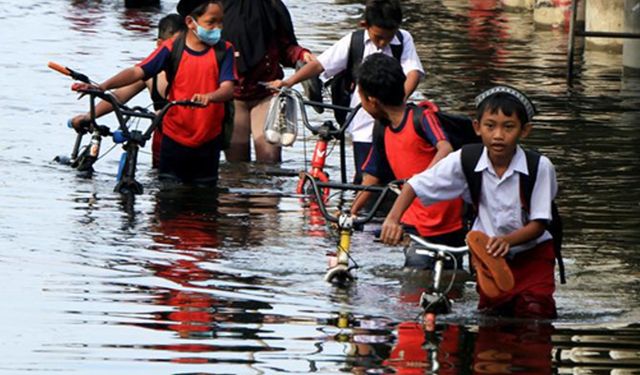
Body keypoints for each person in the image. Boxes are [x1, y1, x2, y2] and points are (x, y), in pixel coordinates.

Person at [380, 85, 558, 319]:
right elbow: (416, 184)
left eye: (509, 127)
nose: (498, 135)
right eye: (490, 126)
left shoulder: (539, 167)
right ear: (477, 127)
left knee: (535, 313)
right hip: (488, 258)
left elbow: (539, 223)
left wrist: (507, 240)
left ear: (524, 131)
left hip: (533, 255)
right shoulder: (466, 160)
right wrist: (393, 219)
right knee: (492, 319)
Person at [72, 0, 237, 185]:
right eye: (211, 22)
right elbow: (137, 71)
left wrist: (210, 97)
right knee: (167, 195)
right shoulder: (172, 48)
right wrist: (102, 86)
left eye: (221, 22)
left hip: (208, 137)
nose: (218, 28)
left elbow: (228, 88)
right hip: (174, 137)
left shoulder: (225, 50)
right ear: (191, 22)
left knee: (204, 199)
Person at [269, 0, 424, 184]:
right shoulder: (354, 42)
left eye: (388, 38)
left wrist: (397, 103)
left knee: (394, 177)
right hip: (362, 122)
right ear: (365, 25)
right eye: (378, 37)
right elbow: (320, 65)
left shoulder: (403, 39)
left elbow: (413, 72)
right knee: (365, 176)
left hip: (393, 123)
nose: (383, 43)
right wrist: (288, 82)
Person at [350, 53, 465, 269]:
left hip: (448, 223)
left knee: (446, 281)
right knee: (415, 277)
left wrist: (420, 182)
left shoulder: (421, 118)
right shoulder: (383, 130)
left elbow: (445, 147)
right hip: (413, 224)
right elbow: (372, 177)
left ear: (371, 100)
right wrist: (351, 212)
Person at [70, 13, 185, 168]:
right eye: (173, 45)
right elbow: (117, 97)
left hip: (188, 138)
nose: (177, 51)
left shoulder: (192, 71)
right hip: (162, 141)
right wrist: (88, 116)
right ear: (160, 45)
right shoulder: (149, 73)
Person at [221, 0, 314, 163]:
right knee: (235, 168)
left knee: (269, 160)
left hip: (266, 92)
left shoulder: (272, 6)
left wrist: (302, 55)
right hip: (232, 96)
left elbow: (287, 48)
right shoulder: (216, 8)